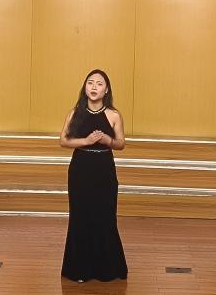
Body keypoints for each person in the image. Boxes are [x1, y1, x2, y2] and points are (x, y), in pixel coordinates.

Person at [59, 69, 128, 282]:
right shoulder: (75, 113)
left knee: (105, 215)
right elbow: (63, 140)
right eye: (90, 83)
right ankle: (79, 270)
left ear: (106, 90)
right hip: (80, 169)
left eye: (99, 83)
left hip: (104, 169)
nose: (94, 87)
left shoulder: (114, 115)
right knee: (80, 216)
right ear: (85, 87)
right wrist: (86, 141)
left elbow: (121, 144)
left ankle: (107, 270)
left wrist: (108, 141)